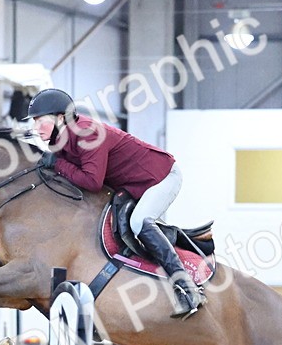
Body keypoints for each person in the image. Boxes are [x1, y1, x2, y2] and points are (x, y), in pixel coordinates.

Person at [25, 88, 204, 318]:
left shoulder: (88, 133)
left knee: (139, 222)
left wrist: (57, 165)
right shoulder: (61, 141)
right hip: (132, 185)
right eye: (34, 122)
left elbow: (92, 182)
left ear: (61, 118)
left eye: (41, 121)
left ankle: (187, 288)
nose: (36, 128)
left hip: (161, 177)